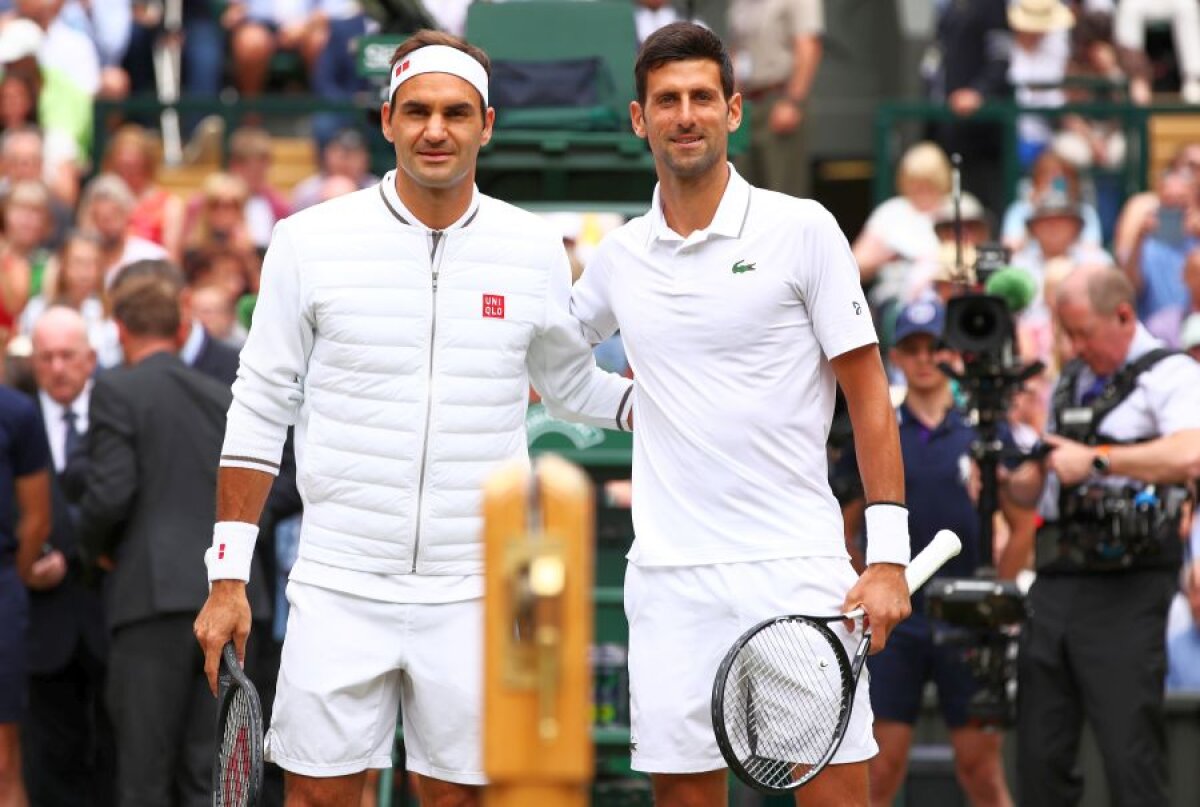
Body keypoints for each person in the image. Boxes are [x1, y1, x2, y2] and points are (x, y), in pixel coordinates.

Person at [192, 29, 634, 807]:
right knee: (319, 797)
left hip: (479, 584)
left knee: (457, 797)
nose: (436, 129)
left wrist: (666, 402)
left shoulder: (533, 247)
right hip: (339, 577)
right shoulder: (307, 241)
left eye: (456, 113)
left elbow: (571, 387)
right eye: (418, 111)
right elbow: (259, 406)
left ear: (486, 125)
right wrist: (228, 575)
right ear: (387, 120)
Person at [568, 23, 911, 807]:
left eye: (701, 97)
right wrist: (630, 406)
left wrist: (888, 556)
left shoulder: (804, 229)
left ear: (733, 110)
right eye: (667, 100)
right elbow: (552, 358)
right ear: (639, 118)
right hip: (670, 581)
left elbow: (868, 395)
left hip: (795, 570)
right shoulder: (619, 256)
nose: (685, 115)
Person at [1004, 264, 1200, 806]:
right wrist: (1017, 479)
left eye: (1083, 332)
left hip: (1129, 583)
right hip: (1057, 577)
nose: (1074, 346)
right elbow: (1045, 488)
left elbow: (1192, 452)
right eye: (1066, 333)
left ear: (1123, 316)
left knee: (1128, 752)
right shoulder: (1070, 379)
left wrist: (1098, 460)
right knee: (1039, 754)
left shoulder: (1172, 374)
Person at [78, 268, 270, 807]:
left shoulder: (116, 389)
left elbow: (111, 493)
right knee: (208, 776)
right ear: (181, 327)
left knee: (143, 775)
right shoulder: (220, 394)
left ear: (120, 329)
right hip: (225, 596)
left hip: (148, 603)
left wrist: (93, 552)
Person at [835, 300, 1015, 807]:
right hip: (898, 615)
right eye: (912, 348)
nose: (924, 358)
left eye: (934, 347)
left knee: (981, 769)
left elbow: (1022, 521)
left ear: (952, 353)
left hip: (972, 614)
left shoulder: (985, 431)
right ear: (895, 356)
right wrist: (863, 580)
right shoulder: (878, 429)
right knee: (881, 765)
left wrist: (999, 593)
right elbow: (845, 519)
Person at [24, 305, 115, 807]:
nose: (57, 368)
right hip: (41, 622)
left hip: (111, 616)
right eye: (46, 357)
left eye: (68, 356)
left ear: (90, 359)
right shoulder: (16, 418)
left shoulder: (118, 412)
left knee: (116, 755)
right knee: (48, 762)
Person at [0, 358, 53, 807]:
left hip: (2, 589)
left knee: (3, 757)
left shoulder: (15, 413)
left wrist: (12, 576)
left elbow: (37, 517)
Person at [727, 0, 823, 198]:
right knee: (744, 188)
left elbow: (808, 47)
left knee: (783, 190)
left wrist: (792, 102)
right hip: (746, 102)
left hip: (779, 97)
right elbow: (736, 50)